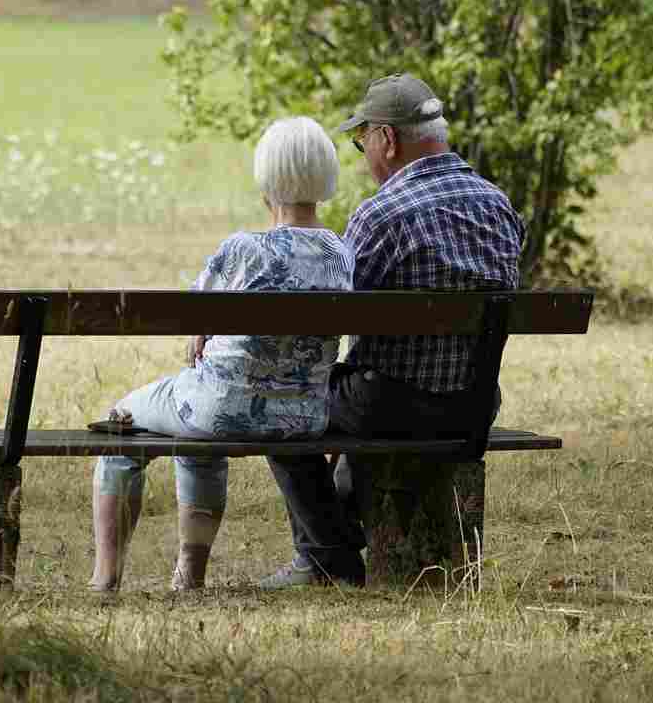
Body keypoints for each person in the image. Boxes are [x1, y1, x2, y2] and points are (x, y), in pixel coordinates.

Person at [259, 73, 526, 589]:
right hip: (473, 406)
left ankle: (327, 554)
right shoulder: (499, 206)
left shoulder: (380, 216)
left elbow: (329, 318)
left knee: (280, 401)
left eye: (362, 143)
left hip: (390, 406)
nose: (364, 155)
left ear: (387, 139)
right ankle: (339, 535)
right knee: (353, 389)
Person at [89, 116, 354, 592]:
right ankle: (188, 576)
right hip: (304, 416)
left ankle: (105, 578)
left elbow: (194, 321)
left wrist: (204, 333)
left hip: (221, 408)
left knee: (121, 424)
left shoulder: (243, 250)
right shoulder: (342, 253)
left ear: (266, 181)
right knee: (196, 430)